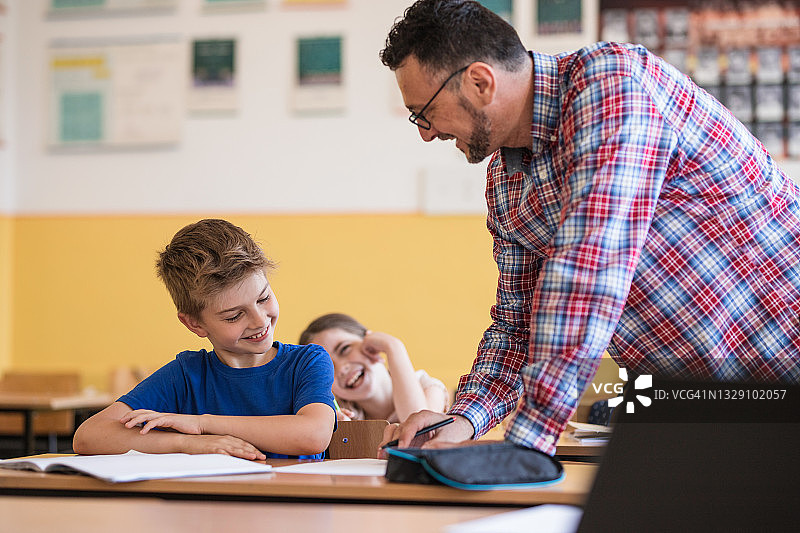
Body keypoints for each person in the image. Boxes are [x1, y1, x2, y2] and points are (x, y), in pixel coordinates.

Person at [379, 0, 800, 455]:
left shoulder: (611, 84)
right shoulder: (506, 183)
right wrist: (464, 417)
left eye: (424, 112)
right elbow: (517, 323)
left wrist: (526, 445)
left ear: (480, 82)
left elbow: (592, 265)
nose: (424, 132)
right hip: (698, 407)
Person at [73, 219, 336, 460]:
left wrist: (202, 424)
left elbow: (313, 435)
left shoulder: (307, 362)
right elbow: (89, 436)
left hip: (292, 507)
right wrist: (188, 443)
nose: (259, 320)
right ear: (194, 323)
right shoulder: (187, 375)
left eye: (263, 298)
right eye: (234, 316)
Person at [299, 313, 449, 422]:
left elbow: (418, 429)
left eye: (344, 349)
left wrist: (393, 347)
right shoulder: (344, 416)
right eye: (328, 367)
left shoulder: (427, 387)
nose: (342, 368)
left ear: (371, 342)